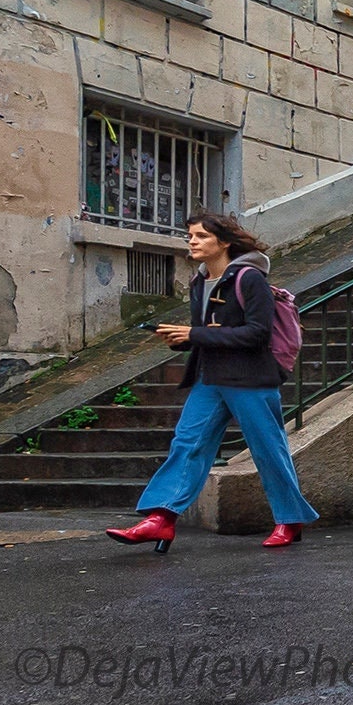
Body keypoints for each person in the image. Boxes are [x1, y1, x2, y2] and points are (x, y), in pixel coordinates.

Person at [106, 209, 318, 554]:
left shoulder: (249, 279)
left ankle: (289, 519)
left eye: (201, 236)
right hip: (210, 376)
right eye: (190, 235)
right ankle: (161, 519)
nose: (192, 241)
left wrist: (196, 333)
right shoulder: (198, 281)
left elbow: (257, 333)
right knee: (187, 445)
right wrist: (184, 338)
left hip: (250, 378)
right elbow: (210, 333)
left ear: (224, 242)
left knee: (268, 450)